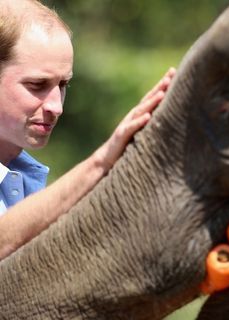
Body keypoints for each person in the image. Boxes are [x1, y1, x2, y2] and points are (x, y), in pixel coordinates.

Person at [0, 0, 176, 260]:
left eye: (63, 85)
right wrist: (99, 163)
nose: (56, 106)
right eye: (37, 85)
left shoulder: (24, 177)